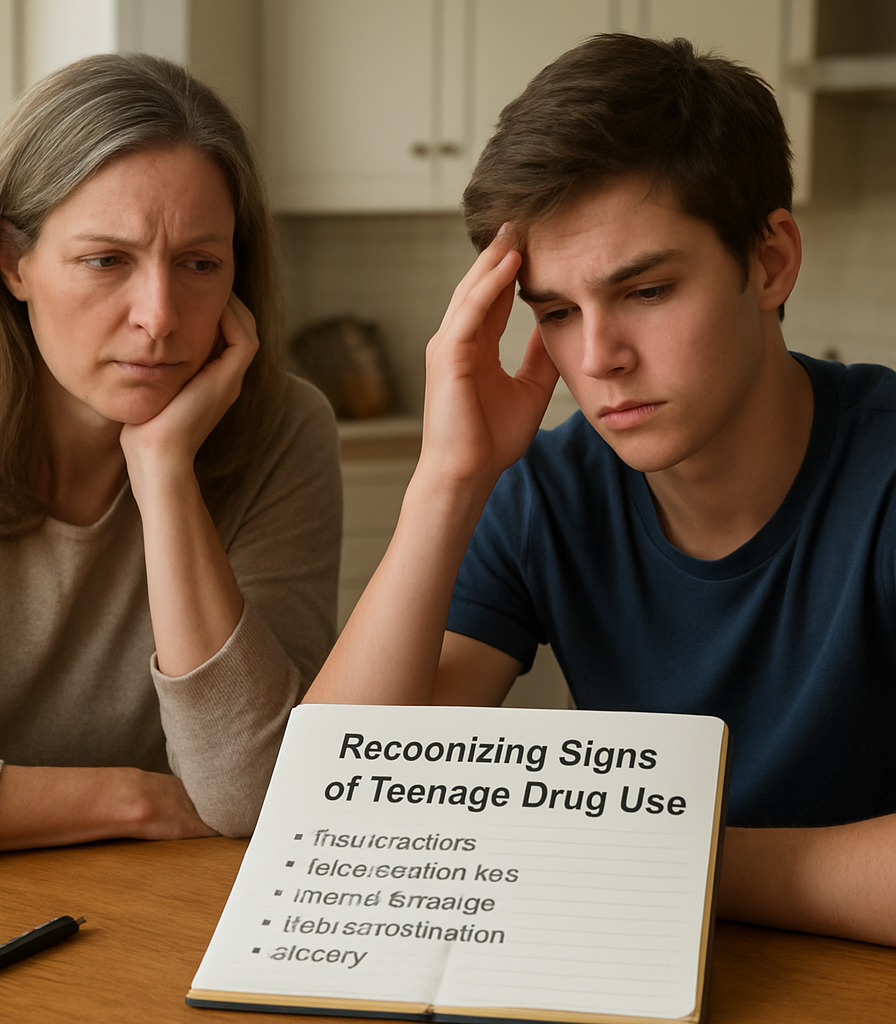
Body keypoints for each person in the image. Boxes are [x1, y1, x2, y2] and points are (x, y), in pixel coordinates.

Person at [304, 34, 896, 946]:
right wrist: (446, 480)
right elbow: (334, 814)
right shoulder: (547, 493)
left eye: (648, 290)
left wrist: (656, 853)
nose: (598, 359)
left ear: (770, 262)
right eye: (555, 314)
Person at [0, 53, 341, 860]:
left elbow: (256, 794)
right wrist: (132, 798)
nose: (159, 318)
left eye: (199, 263)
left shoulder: (283, 430)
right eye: (106, 261)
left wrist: (164, 474)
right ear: (10, 262)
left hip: (176, 920)